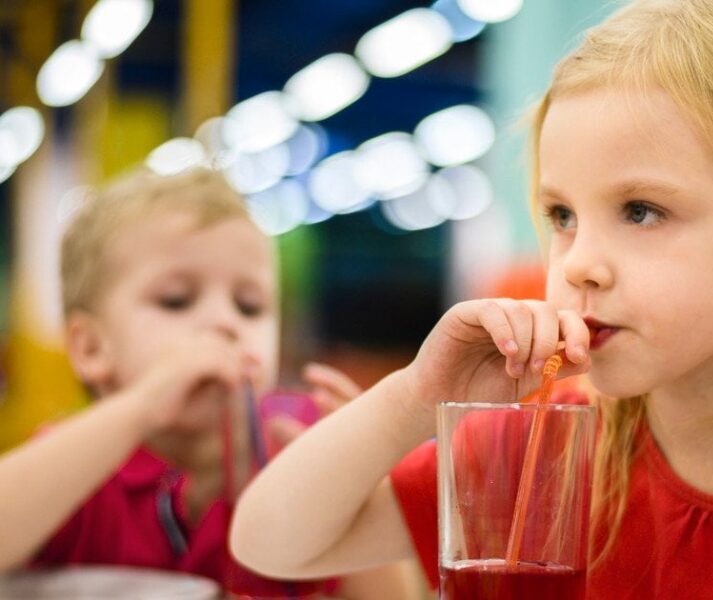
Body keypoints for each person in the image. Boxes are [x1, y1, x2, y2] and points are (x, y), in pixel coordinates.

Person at [231, 0, 713, 597]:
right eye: (561, 216)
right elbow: (274, 544)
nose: (577, 264)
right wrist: (415, 398)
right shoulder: (541, 455)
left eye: (640, 211)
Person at [0, 167, 417, 599]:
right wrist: (145, 402)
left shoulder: (298, 449)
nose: (224, 322)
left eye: (249, 306)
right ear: (90, 348)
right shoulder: (71, 467)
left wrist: (361, 479)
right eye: (176, 300)